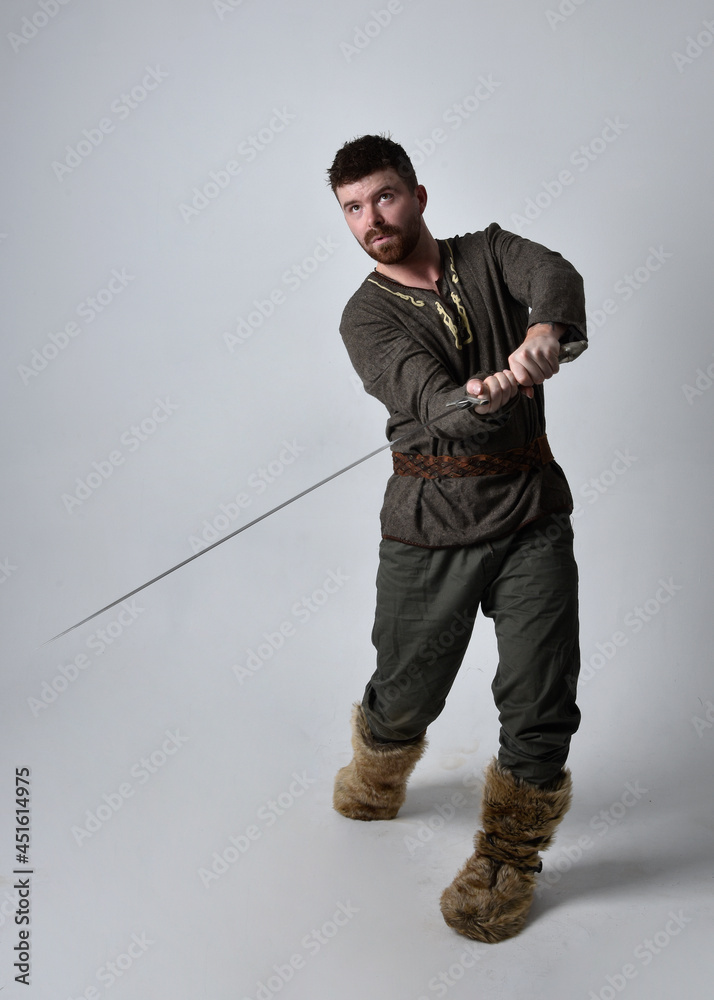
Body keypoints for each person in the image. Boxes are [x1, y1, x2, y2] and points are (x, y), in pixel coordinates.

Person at [326, 134, 587, 943]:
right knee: (406, 689)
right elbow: (423, 395)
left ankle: (508, 856)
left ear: (418, 196)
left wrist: (543, 330)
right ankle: (378, 768)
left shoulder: (489, 251)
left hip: (531, 509)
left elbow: (555, 275)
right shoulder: (365, 317)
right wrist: (475, 395)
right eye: (353, 208)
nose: (372, 218)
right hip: (429, 526)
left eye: (383, 196)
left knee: (542, 695)